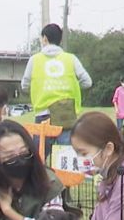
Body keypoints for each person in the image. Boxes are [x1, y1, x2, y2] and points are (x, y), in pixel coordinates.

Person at [20, 23, 92, 153]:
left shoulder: (34, 60)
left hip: (43, 114)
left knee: (39, 159)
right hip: (66, 114)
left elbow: (24, 85)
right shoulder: (71, 59)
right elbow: (87, 82)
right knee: (66, 158)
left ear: (45, 39)